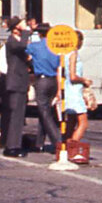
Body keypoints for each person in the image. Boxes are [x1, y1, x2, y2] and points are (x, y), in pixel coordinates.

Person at [28, 23, 65, 155]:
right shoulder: (55, 47)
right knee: (46, 110)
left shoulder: (35, 46)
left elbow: (25, 55)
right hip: (54, 80)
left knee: (44, 112)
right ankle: (39, 143)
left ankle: (58, 142)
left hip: (42, 80)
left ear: (39, 34)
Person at [0, 16, 33, 157]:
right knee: (16, 116)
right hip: (16, 82)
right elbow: (23, 46)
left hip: (20, 82)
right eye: (22, 25)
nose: (25, 27)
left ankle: (14, 144)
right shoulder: (12, 41)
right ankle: (12, 147)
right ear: (16, 28)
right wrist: (26, 31)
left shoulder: (17, 42)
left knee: (18, 116)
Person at [53, 45, 90, 170]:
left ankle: (64, 149)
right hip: (74, 92)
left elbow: (59, 73)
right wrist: (85, 80)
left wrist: (59, 90)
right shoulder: (73, 54)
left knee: (71, 122)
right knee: (83, 123)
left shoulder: (64, 54)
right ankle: (72, 149)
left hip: (67, 91)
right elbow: (73, 76)